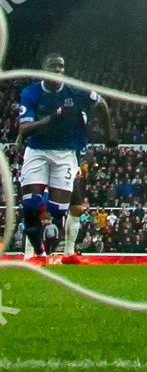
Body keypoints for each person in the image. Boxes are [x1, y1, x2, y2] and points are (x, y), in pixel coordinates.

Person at [14, 53, 115, 265]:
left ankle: (64, 252)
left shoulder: (77, 92)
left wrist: (109, 134)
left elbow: (102, 104)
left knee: (61, 210)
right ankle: (34, 255)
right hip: (38, 151)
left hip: (67, 155)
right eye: (53, 67)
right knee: (32, 204)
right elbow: (24, 127)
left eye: (61, 67)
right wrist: (50, 120)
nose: (58, 71)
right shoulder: (31, 93)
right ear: (43, 70)